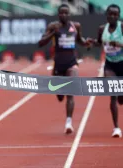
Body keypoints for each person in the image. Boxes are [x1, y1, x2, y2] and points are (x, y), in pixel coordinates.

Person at [38, 4, 92, 134]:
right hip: (58, 65)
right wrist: (52, 33)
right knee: (60, 96)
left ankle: (69, 122)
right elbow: (40, 43)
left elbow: (79, 40)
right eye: (61, 13)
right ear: (58, 15)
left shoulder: (76, 26)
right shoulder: (53, 26)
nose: (64, 15)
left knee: (70, 92)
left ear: (70, 14)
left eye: (66, 13)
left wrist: (86, 43)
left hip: (71, 62)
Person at [91, 4, 123, 138]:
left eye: (116, 14)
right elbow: (100, 42)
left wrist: (120, 44)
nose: (113, 16)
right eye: (111, 14)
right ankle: (116, 128)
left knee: (121, 99)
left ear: (119, 16)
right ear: (107, 15)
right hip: (110, 65)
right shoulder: (102, 29)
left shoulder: (122, 27)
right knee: (113, 93)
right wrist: (91, 42)